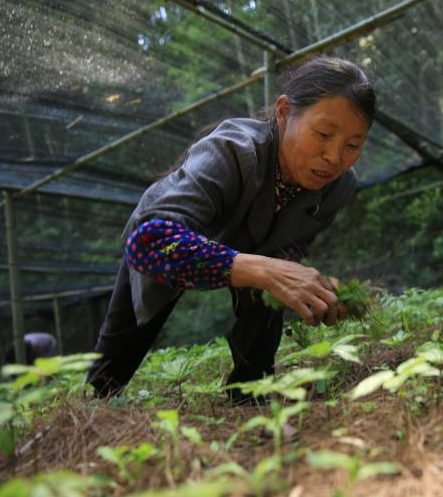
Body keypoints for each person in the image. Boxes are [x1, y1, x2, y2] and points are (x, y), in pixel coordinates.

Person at [86, 57, 376, 401]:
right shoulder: (234, 151)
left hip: (249, 247)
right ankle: (95, 404)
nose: (334, 157)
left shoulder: (338, 186)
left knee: (269, 295)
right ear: (284, 111)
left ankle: (249, 394)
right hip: (174, 235)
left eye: (353, 145)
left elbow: (287, 247)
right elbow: (148, 245)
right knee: (123, 342)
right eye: (324, 134)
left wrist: (308, 284)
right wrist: (267, 269)